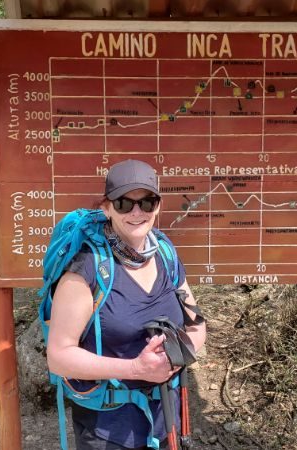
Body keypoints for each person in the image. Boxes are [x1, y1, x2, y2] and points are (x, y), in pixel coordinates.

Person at [46, 159, 207, 450]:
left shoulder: (165, 254)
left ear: (158, 206)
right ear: (106, 208)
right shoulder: (87, 269)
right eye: (124, 203)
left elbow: (196, 322)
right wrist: (136, 368)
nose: (137, 212)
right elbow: (58, 356)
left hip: (167, 421)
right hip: (109, 431)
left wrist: (177, 355)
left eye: (147, 202)